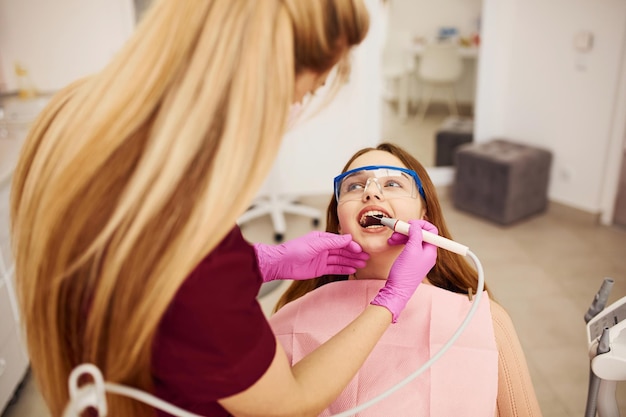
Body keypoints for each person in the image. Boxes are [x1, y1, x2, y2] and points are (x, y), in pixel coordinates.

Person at [9, 2, 443, 417]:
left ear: (427, 207)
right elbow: (287, 404)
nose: (291, 114)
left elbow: (149, 282)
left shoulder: (75, 116)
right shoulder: (196, 240)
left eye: (392, 183)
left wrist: (258, 262)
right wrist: (390, 301)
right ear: (266, 79)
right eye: (302, 95)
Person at [270, 143, 543, 416]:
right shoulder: (289, 319)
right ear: (340, 222)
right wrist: (262, 264)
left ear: (424, 213)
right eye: (354, 186)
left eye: (392, 183)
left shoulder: (485, 322)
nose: (371, 192)